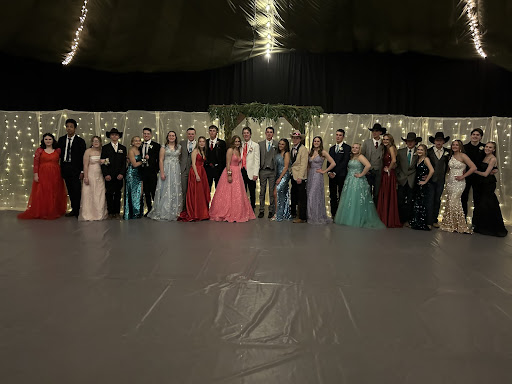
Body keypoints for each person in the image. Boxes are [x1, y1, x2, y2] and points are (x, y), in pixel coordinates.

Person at [334, 143, 385, 229]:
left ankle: (357, 219)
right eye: (353, 147)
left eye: (356, 148)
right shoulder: (352, 157)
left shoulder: (360, 157)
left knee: (356, 199)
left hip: (357, 181)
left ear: (359, 149)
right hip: (350, 180)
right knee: (349, 199)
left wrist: (361, 174)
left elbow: (368, 165)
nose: (354, 149)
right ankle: (348, 218)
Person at [18, 133, 67, 220]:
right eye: (46, 139)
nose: (48, 141)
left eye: (50, 139)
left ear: (53, 140)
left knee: (54, 191)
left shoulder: (58, 150)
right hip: (43, 173)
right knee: (43, 192)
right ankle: (43, 211)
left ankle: (53, 210)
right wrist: (36, 174)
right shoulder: (39, 150)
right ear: (43, 140)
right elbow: (36, 163)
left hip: (55, 174)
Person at [209, 136, 256, 222]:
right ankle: (225, 211)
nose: (237, 143)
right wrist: (229, 174)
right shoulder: (230, 150)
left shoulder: (238, 150)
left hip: (238, 173)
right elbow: (227, 163)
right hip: (230, 171)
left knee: (237, 193)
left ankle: (236, 211)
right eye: (236, 141)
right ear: (233, 142)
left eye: (238, 141)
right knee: (227, 193)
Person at [440, 140, 476, 234]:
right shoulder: (451, 156)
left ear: (460, 146)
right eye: (453, 145)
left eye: (457, 145)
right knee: (450, 201)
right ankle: (450, 223)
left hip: (459, 182)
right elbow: (449, 169)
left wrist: (463, 176)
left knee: (454, 202)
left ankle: (459, 225)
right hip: (450, 181)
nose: (455, 146)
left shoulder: (463, 156)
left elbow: (473, 167)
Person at [472, 141, 508, 237]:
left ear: (494, 149)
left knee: (488, 204)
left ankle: (491, 228)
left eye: (490, 147)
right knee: (481, 204)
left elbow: (485, 174)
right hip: (481, 184)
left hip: (488, 184)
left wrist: (473, 171)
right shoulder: (483, 156)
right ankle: (481, 226)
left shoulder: (492, 159)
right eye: (486, 147)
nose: (487, 148)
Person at [149, 131, 183, 221]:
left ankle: (175, 211)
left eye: (173, 135)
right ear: (167, 137)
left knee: (175, 188)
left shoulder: (179, 147)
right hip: (166, 169)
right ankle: (164, 210)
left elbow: (180, 159)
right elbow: (161, 160)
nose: (171, 137)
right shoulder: (164, 147)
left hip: (176, 170)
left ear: (175, 137)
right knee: (165, 189)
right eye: (170, 136)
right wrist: (162, 172)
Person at [58, 118, 86, 217]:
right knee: (69, 190)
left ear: (75, 128)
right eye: (67, 126)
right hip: (65, 168)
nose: (69, 128)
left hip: (76, 169)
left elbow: (83, 157)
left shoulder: (80, 141)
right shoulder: (61, 140)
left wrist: (82, 171)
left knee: (76, 190)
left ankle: (78, 210)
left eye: (71, 127)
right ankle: (73, 210)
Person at [179, 136, 210, 221]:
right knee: (196, 193)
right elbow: (193, 164)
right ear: (198, 142)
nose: (202, 143)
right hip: (195, 172)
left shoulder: (203, 151)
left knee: (201, 193)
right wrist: (196, 175)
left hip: (202, 172)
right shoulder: (195, 151)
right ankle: (195, 212)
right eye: (200, 141)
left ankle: (201, 212)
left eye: (203, 141)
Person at [307, 136, 336, 224]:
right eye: (315, 141)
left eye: (318, 141)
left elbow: (333, 163)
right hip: (310, 175)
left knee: (314, 196)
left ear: (320, 142)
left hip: (317, 175)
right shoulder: (310, 152)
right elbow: (308, 165)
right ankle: (310, 216)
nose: (316, 142)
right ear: (313, 142)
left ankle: (317, 216)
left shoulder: (323, 152)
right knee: (309, 195)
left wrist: (324, 171)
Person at [79, 136, 108, 221]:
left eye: (97, 141)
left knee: (100, 193)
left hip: (100, 174)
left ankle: (99, 213)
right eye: (94, 141)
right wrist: (86, 177)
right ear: (92, 142)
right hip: (91, 173)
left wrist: (105, 161)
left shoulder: (102, 151)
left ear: (100, 142)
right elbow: (85, 165)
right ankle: (89, 214)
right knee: (89, 193)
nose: (96, 143)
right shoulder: (88, 151)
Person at [100, 128, 126, 219]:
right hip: (109, 175)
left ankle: (117, 212)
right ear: (110, 136)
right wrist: (106, 174)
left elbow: (124, 163)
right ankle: (110, 212)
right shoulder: (105, 148)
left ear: (118, 136)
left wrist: (122, 173)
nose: (114, 136)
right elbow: (102, 162)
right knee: (109, 193)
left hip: (119, 175)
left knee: (118, 193)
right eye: (112, 134)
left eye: (116, 134)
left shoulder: (123, 148)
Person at [376, 134, 402, 228]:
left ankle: (387, 218)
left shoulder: (391, 147)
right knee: (385, 194)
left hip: (389, 175)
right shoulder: (386, 148)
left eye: (387, 139)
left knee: (387, 194)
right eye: (384, 139)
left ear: (391, 140)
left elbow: (394, 160)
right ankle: (385, 217)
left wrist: (389, 169)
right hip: (386, 175)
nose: (385, 141)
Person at [396, 132, 421, 226]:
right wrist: (398, 175)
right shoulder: (400, 151)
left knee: (411, 201)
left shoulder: (418, 152)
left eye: (412, 141)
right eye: (408, 141)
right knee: (400, 200)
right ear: (406, 142)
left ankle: (408, 220)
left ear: (415, 142)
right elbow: (397, 165)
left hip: (412, 180)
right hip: (401, 179)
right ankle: (400, 219)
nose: (410, 143)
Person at [426, 132, 450, 228]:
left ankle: (435, 220)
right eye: (437, 140)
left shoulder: (448, 152)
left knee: (437, 200)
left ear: (443, 142)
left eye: (440, 140)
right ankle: (428, 221)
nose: (438, 142)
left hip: (441, 179)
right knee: (430, 199)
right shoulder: (429, 151)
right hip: (430, 180)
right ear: (434, 141)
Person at [461, 128, 486, 217]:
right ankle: (463, 220)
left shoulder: (484, 147)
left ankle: (476, 222)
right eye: (473, 134)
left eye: (477, 135)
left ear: (481, 137)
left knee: (478, 199)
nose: (475, 136)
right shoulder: (464, 147)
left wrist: (495, 168)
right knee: (464, 198)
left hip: (479, 176)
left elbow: (490, 159)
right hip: (466, 176)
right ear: (470, 136)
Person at [409, 144, 434, 230]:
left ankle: (422, 222)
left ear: (425, 151)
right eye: (418, 149)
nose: (419, 151)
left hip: (423, 184)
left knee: (423, 203)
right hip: (417, 183)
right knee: (417, 202)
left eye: (421, 150)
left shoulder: (426, 159)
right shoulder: (418, 159)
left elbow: (432, 170)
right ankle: (417, 221)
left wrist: (426, 181)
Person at [327, 129, 351, 218]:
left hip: (341, 175)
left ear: (343, 136)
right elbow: (329, 162)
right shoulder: (331, 148)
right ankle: (334, 214)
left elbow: (345, 162)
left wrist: (335, 172)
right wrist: (329, 172)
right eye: (336, 134)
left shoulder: (347, 148)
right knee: (332, 195)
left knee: (341, 195)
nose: (338, 136)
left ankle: (341, 214)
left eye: (340, 135)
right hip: (331, 176)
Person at [361, 123, 386, 203]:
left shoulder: (384, 143)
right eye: (373, 131)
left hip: (379, 171)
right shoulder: (366, 142)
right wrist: (364, 169)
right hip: (368, 171)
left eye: (376, 131)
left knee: (377, 192)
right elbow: (361, 156)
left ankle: (376, 211)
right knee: (367, 192)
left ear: (380, 132)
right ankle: (368, 211)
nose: (374, 133)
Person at [140, 127, 161, 216]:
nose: (146, 135)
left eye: (148, 134)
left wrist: (156, 170)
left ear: (151, 135)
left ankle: (156, 210)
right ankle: (149, 209)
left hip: (152, 171)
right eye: (144, 133)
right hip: (143, 171)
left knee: (154, 191)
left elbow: (159, 159)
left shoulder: (156, 145)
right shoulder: (139, 145)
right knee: (146, 192)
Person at [258, 127, 278, 218]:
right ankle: (261, 210)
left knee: (271, 192)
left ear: (273, 134)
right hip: (263, 170)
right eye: (268, 132)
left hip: (272, 171)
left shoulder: (277, 144)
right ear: (265, 133)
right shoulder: (260, 144)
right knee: (262, 191)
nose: (269, 134)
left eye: (271, 132)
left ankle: (271, 210)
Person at [289, 130, 308, 223]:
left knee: (301, 197)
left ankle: (302, 217)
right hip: (293, 175)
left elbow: (304, 164)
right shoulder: (292, 148)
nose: (295, 139)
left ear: (300, 139)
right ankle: (294, 213)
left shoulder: (303, 149)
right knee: (294, 195)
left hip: (300, 177)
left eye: (297, 138)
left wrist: (300, 177)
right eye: (293, 138)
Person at [123, 136, 144, 220]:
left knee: (139, 193)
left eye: (139, 140)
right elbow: (134, 164)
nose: (138, 142)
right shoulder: (131, 150)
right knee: (132, 193)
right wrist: (143, 161)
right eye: (135, 141)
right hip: (132, 174)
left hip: (139, 173)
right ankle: (131, 213)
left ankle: (138, 212)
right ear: (132, 142)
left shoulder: (140, 150)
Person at [271, 139, 291, 222]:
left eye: (283, 144)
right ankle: (282, 213)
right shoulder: (278, 153)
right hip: (278, 175)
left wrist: (280, 178)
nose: (280, 145)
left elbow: (286, 167)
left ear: (286, 145)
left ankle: (277, 214)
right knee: (281, 195)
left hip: (284, 175)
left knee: (276, 193)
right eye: (280, 144)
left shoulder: (286, 154)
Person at [240, 127, 260, 210]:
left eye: (247, 133)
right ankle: (243, 207)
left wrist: (256, 173)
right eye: (244, 133)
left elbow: (257, 160)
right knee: (242, 191)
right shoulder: (240, 145)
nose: (246, 134)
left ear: (250, 134)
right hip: (241, 170)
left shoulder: (255, 145)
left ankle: (252, 208)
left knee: (252, 191)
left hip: (251, 172)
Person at [205, 124, 227, 193]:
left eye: (214, 131)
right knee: (207, 189)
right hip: (207, 170)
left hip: (218, 170)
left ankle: (218, 203)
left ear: (217, 132)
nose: (212, 132)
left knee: (219, 189)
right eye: (210, 131)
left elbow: (224, 157)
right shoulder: (205, 142)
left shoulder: (222, 143)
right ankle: (207, 203)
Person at [179, 127, 196, 208]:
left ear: (195, 135)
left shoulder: (198, 144)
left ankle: (192, 208)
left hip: (194, 169)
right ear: (187, 134)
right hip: (184, 169)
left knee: (193, 190)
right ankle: (184, 208)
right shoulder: (182, 143)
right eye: (189, 134)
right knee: (184, 189)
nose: (190, 135)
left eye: (192, 134)